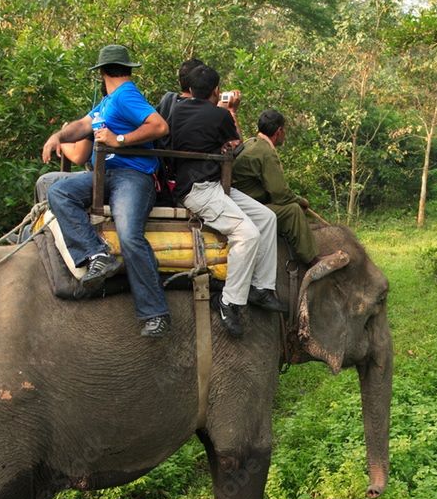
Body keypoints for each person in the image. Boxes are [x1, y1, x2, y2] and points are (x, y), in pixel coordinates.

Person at [41, 44, 171, 338]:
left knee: (129, 234)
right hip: (105, 174)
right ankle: (98, 254)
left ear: (101, 73)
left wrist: (120, 139)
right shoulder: (108, 102)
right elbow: (83, 125)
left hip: (133, 176)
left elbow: (159, 126)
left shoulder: (126, 94)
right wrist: (58, 135)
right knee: (60, 192)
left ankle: (156, 312)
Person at [168, 64, 285, 337]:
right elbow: (237, 147)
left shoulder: (176, 108)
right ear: (216, 91)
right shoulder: (218, 115)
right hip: (199, 190)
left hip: (213, 186)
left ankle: (261, 287)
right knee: (248, 235)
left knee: (268, 218)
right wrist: (231, 112)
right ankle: (228, 301)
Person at [231, 109, 321, 266]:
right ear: (279, 131)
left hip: (238, 202)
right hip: (246, 209)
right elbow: (280, 194)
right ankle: (312, 260)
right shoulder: (266, 152)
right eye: (284, 130)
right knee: (293, 210)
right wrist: (301, 201)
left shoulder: (251, 143)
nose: (284, 133)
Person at [34, 135, 92, 204]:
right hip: (97, 175)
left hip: (98, 179)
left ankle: (54, 213)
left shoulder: (96, 125)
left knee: (44, 181)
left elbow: (78, 156)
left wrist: (61, 141)